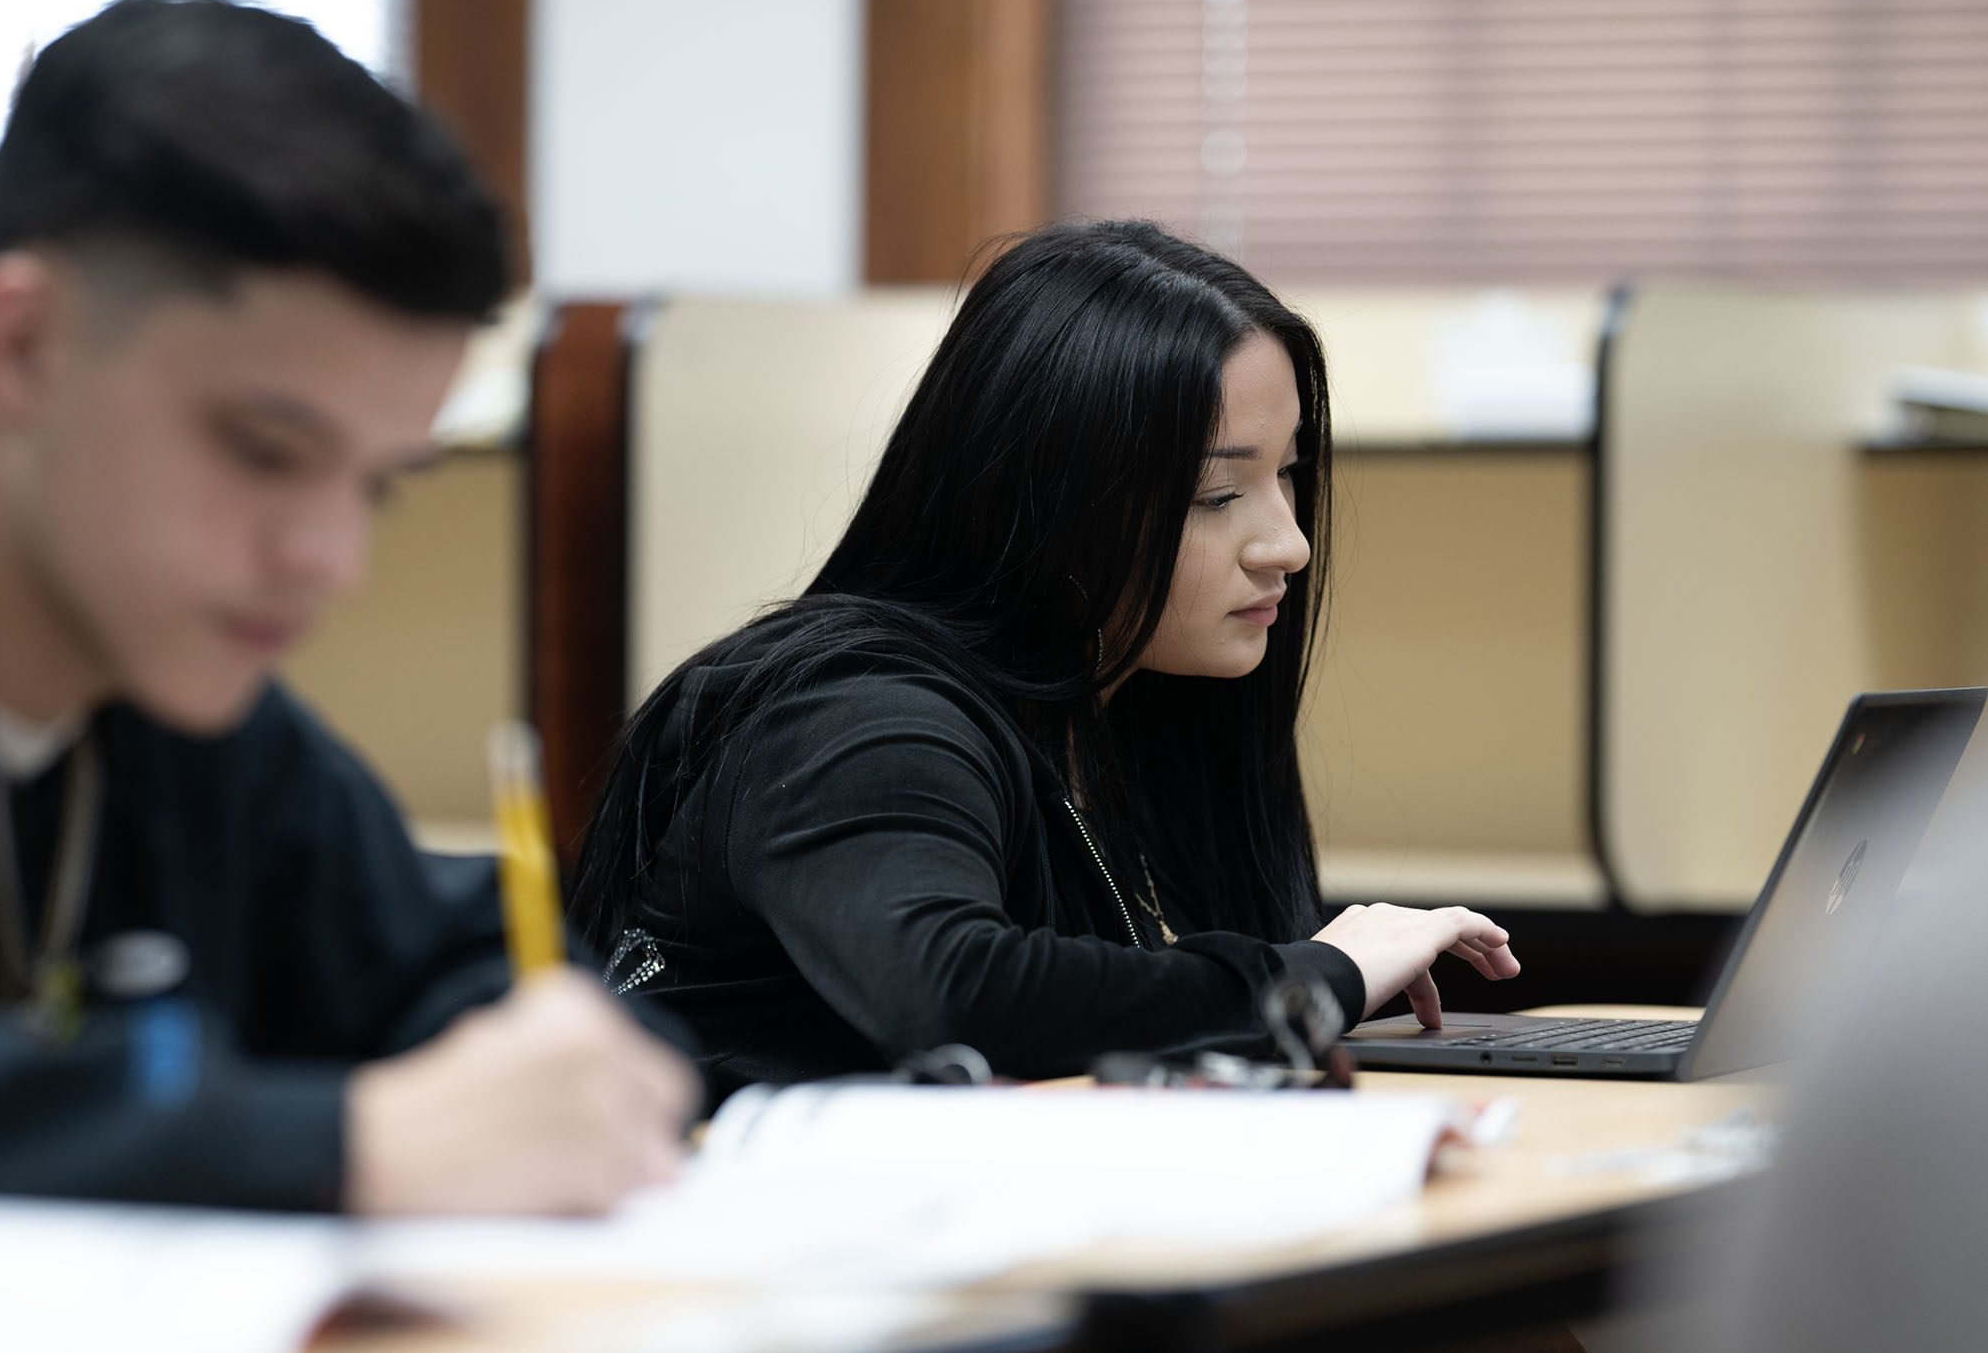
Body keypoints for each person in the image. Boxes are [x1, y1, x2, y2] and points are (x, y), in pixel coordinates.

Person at [0, 0, 696, 1215]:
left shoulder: (181, 695)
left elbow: (461, 969)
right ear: (25, 345)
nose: (329, 560)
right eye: (262, 450)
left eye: (380, 486)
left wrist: (566, 1072)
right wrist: (341, 1150)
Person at [571, 220, 1522, 1105]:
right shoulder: (858, 715)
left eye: (1287, 475)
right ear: (1049, 503)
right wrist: (1319, 975)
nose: (1289, 543)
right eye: (1216, 492)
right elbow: (953, 994)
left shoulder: (1117, 714)